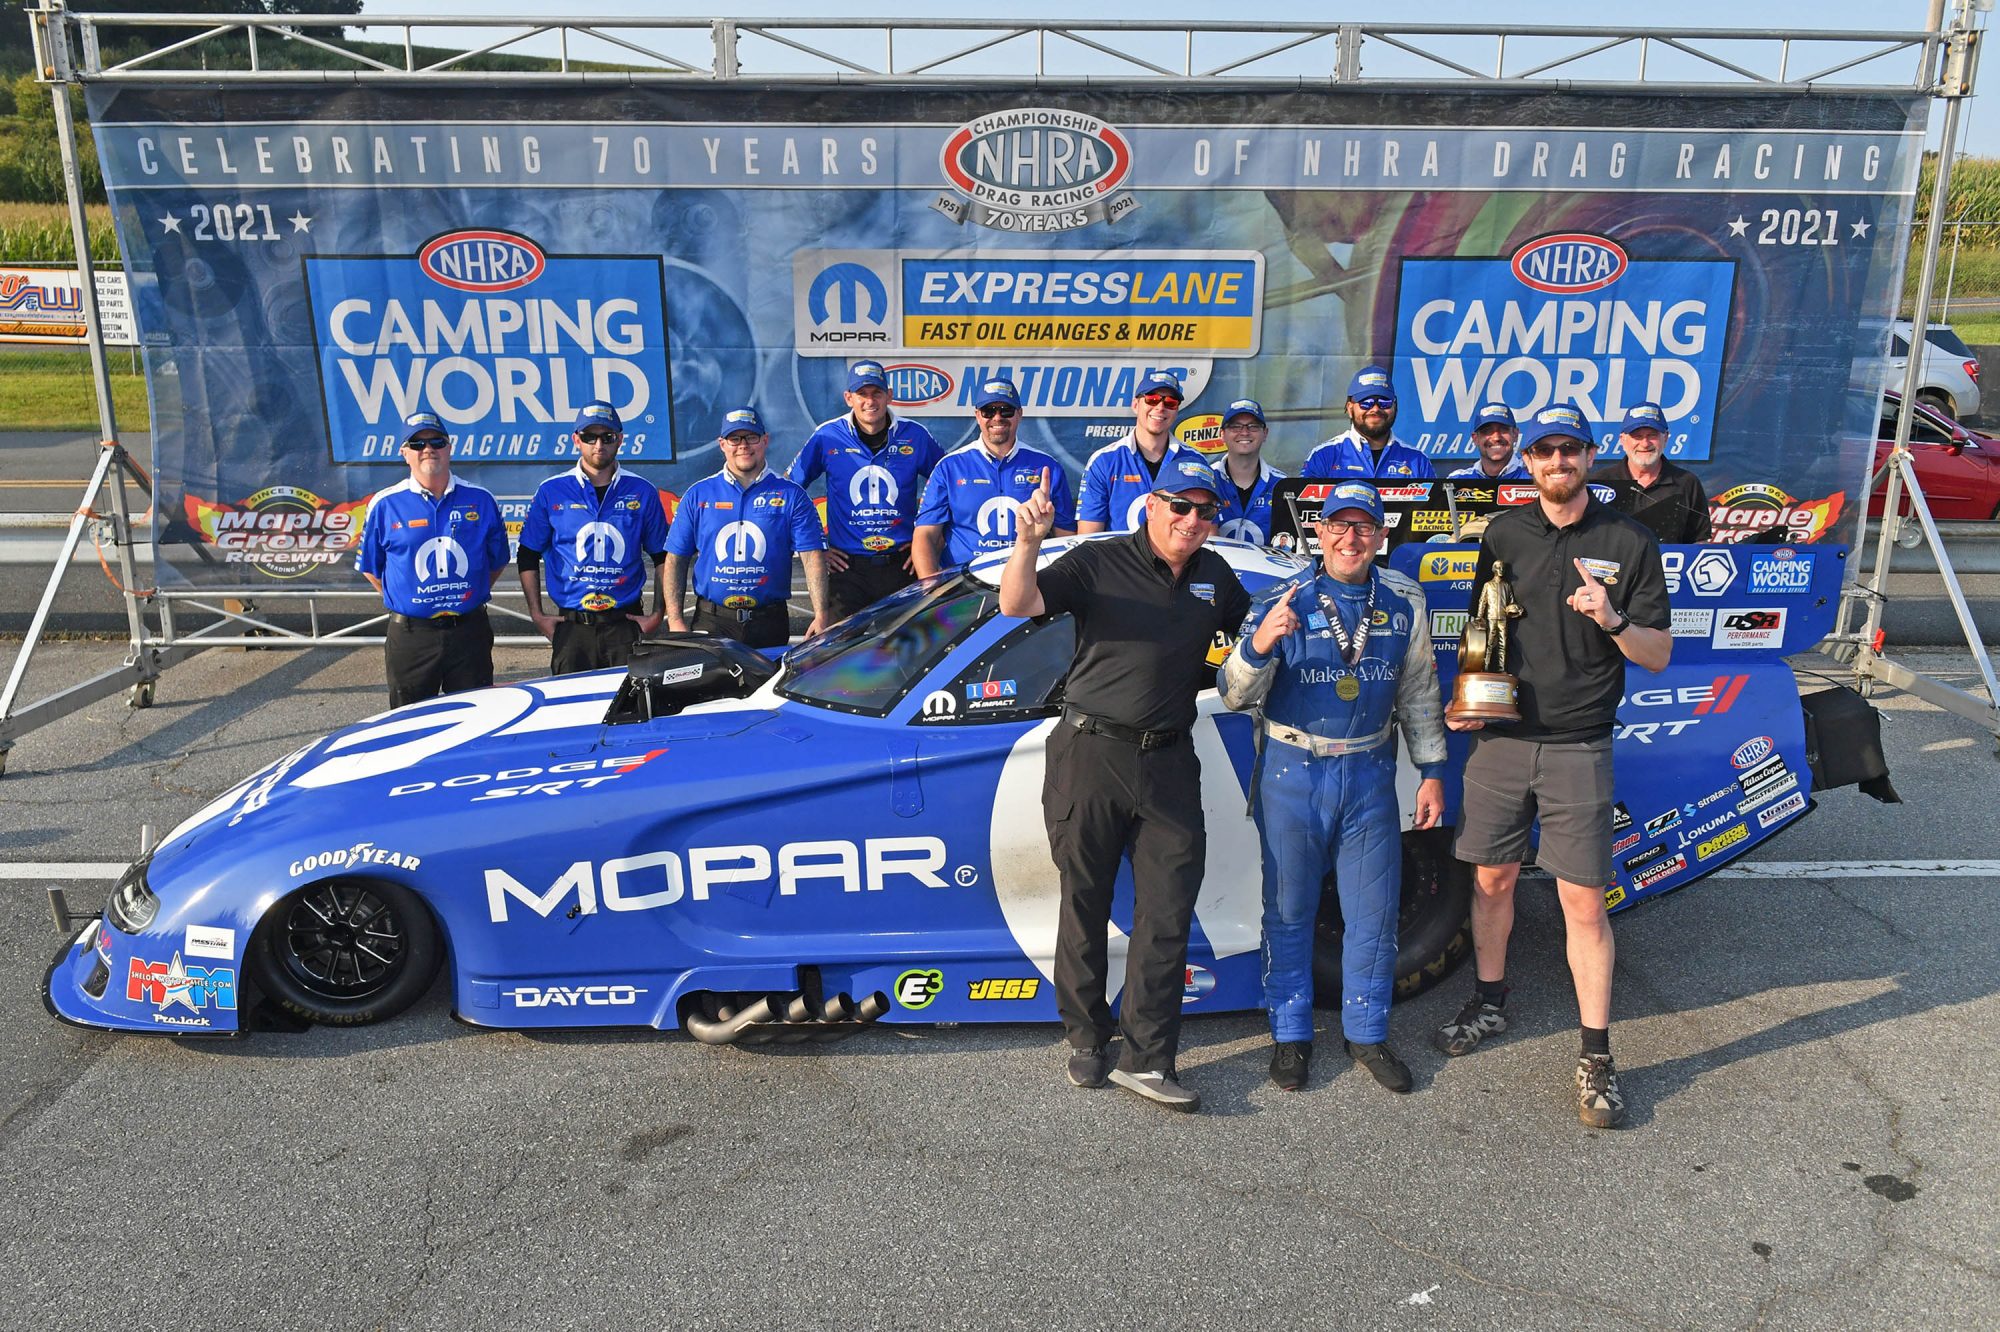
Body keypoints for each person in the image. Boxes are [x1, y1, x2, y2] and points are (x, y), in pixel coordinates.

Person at [1440, 402, 1673, 1129]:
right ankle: (1489, 1001)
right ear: (1530, 463)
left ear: (1589, 456)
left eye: (1570, 449)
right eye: (1544, 452)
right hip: (1503, 741)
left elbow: (1659, 654)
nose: (1557, 462)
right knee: (1492, 879)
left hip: (1579, 743)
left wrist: (1611, 619)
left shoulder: (1628, 541)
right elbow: (1484, 625)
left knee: (1581, 902)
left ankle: (1597, 1056)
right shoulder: (1505, 532)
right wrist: (1467, 696)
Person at [999, 455, 1251, 1113]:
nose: (1192, 521)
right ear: (1151, 504)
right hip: (1090, 752)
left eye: (1205, 511)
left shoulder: (1216, 576)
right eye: (1180, 506)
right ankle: (1087, 1037)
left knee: (1167, 911)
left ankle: (1146, 1058)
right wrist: (1027, 543)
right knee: (1084, 899)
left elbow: (1251, 641)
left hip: (1169, 761)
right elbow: (1017, 602)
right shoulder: (1097, 561)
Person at [1220, 481, 1448, 1093]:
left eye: (1364, 527)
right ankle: (1290, 1035)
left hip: (1370, 774)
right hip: (1292, 775)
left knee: (1372, 915)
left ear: (1381, 536)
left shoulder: (1404, 602)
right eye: (1338, 527)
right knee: (1290, 912)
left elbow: (1420, 691)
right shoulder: (1279, 597)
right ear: (1318, 534)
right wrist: (1262, 640)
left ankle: (1367, 1034)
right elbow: (1233, 694)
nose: (1351, 538)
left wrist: (1430, 771)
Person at [355, 411, 510, 708]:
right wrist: (410, 601)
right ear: (404, 453)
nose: (428, 449)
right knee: (409, 727)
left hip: (469, 633)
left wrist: (466, 596)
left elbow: (497, 560)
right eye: (417, 443)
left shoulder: (480, 499)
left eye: (436, 441)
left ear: (449, 447)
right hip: (412, 637)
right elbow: (372, 568)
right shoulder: (385, 504)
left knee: (477, 721)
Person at [516, 401, 671, 674]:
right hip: (573, 628)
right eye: (590, 437)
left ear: (620, 440)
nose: (598, 444)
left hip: (625, 625)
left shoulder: (642, 491)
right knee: (571, 711)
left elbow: (662, 556)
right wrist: (537, 615)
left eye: (607, 437)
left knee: (630, 712)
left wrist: (657, 615)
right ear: (577, 440)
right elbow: (527, 554)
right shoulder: (552, 491)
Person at [786, 360, 944, 622]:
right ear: (849, 398)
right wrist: (817, 547)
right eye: (862, 394)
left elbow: (950, 488)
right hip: (847, 570)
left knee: (907, 653)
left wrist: (930, 546)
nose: (870, 402)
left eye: (877, 393)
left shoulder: (914, 435)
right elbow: (787, 495)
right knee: (841, 656)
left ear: (889, 396)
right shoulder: (827, 436)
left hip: (901, 567)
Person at [664, 407, 829, 648]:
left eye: (751, 437)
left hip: (769, 622)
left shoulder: (792, 494)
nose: (743, 445)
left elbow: (812, 556)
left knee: (768, 686)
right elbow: (675, 559)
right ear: (722, 444)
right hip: (712, 622)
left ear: (765, 440)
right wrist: (676, 620)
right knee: (714, 687)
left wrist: (821, 614)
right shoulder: (697, 494)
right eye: (734, 438)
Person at [912, 378, 1075, 575]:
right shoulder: (949, 466)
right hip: (965, 587)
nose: (997, 417)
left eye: (1006, 410)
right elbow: (925, 535)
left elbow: (1066, 536)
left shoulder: (1047, 467)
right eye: (988, 411)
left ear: (1020, 414)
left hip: (1029, 582)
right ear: (977, 416)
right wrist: (932, 589)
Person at [1075, 372, 1206, 533]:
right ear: (1135, 405)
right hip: (1118, 558)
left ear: (1176, 410)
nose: (1160, 408)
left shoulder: (1195, 461)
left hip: (1177, 558)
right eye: (1152, 399)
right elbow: (1089, 536)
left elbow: (1207, 528)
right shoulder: (1104, 461)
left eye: (1170, 403)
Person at [1587, 402, 1713, 543]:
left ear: (1665, 438)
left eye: (1652, 435)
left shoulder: (1687, 482)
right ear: (1623, 440)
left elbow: (1699, 541)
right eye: (1637, 436)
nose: (1645, 443)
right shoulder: (1598, 482)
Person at [1301, 367, 1436, 480]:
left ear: (1395, 406)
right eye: (1366, 403)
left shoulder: (1417, 460)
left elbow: (1432, 511)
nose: (1375, 409)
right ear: (1350, 408)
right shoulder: (1324, 455)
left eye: (1384, 402)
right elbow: (1303, 510)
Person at [1213, 398, 1287, 545]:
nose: (1245, 432)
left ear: (1265, 433)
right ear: (1222, 434)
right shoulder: (1207, 479)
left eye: (1253, 426)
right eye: (1235, 426)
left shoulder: (1282, 485)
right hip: (1212, 567)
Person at [1447, 404, 1529, 482]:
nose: (1496, 437)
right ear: (1475, 439)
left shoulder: (1534, 476)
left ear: (1515, 434)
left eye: (1504, 429)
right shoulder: (1457, 480)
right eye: (1487, 431)